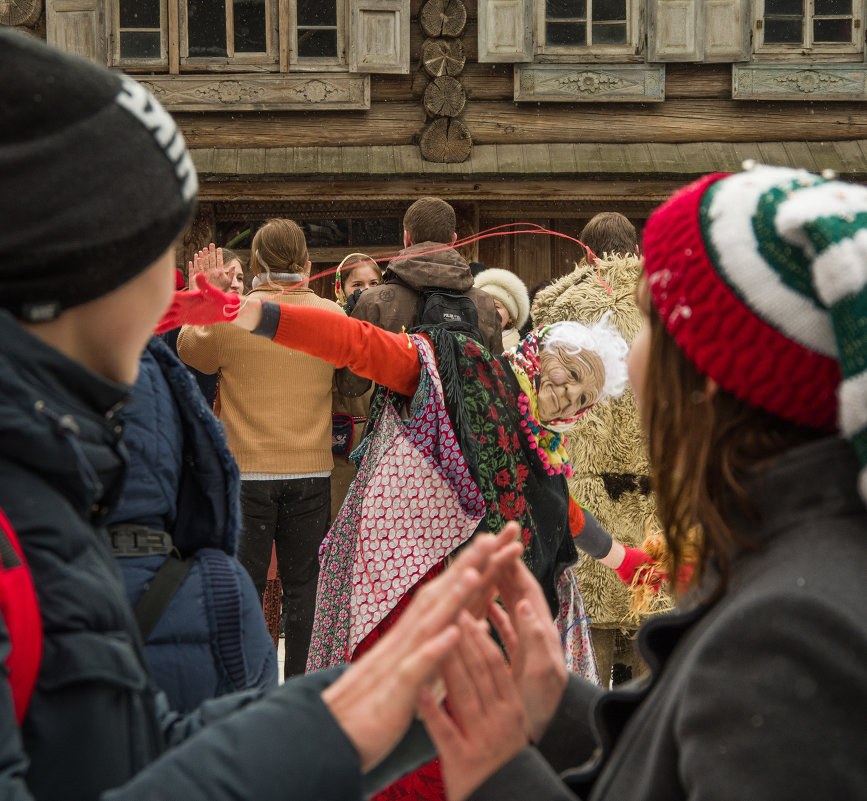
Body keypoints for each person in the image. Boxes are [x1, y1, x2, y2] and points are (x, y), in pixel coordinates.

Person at [0, 29, 527, 801]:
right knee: (304, 585)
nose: (169, 283)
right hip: (312, 468)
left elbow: (123, 750)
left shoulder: (58, 468)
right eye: (162, 249)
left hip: (256, 472)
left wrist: (390, 703)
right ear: (88, 266)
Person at [417, 164, 867, 801]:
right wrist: (558, 708)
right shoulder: (770, 551)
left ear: (711, 375)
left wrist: (500, 778)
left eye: (650, 325)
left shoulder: (790, 633)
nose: (626, 362)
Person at [178, 218, 341, 679]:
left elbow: (190, 349)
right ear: (307, 263)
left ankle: (246, 681)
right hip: (310, 469)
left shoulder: (235, 316)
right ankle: (302, 687)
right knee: (304, 587)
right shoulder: (333, 317)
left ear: (254, 265)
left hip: (246, 472)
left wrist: (205, 296)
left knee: (245, 587)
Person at [105, 336, 278, 712]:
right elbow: (256, 737)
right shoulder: (220, 590)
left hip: (254, 470)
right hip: (304, 471)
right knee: (297, 585)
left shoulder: (22, 581)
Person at [531, 215, 663, 685]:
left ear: (585, 252)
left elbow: (557, 406)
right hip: (657, 487)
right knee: (650, 609)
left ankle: (589, 732)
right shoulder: (665, 303)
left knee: (591, 620)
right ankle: (645, 731)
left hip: (588, 487)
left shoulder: (564, 304)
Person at [336, 197, 504, 397]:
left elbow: (351, 386)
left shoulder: (374, 301)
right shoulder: (484, 303)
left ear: (407, 238)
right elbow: (497, 382)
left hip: (401, 424)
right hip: (466, 425)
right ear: (453, 240)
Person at [473, 268, 531, 350]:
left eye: (496, 307)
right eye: (484, 305)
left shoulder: (521, 350)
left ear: (511, 317)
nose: (490, 311)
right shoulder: (468, 343)